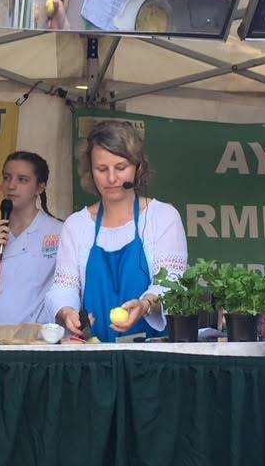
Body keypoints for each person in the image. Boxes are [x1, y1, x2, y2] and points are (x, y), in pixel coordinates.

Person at [45, 120, 187, 342]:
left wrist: (145, 304)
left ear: (138, 167)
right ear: (90, 172)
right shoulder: (76, 225)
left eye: (121, 168)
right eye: (102, 169)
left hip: (153, 354)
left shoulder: (163, 217)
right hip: (94, 352)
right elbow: (64, 286)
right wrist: (67, 312)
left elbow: (171, 283)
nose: (111, 179)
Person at [0, 151, 63, 325]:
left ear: (40, 187)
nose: (11, 186)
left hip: (40, 344)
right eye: (7, 178)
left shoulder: (60, 233)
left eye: (22, 179)